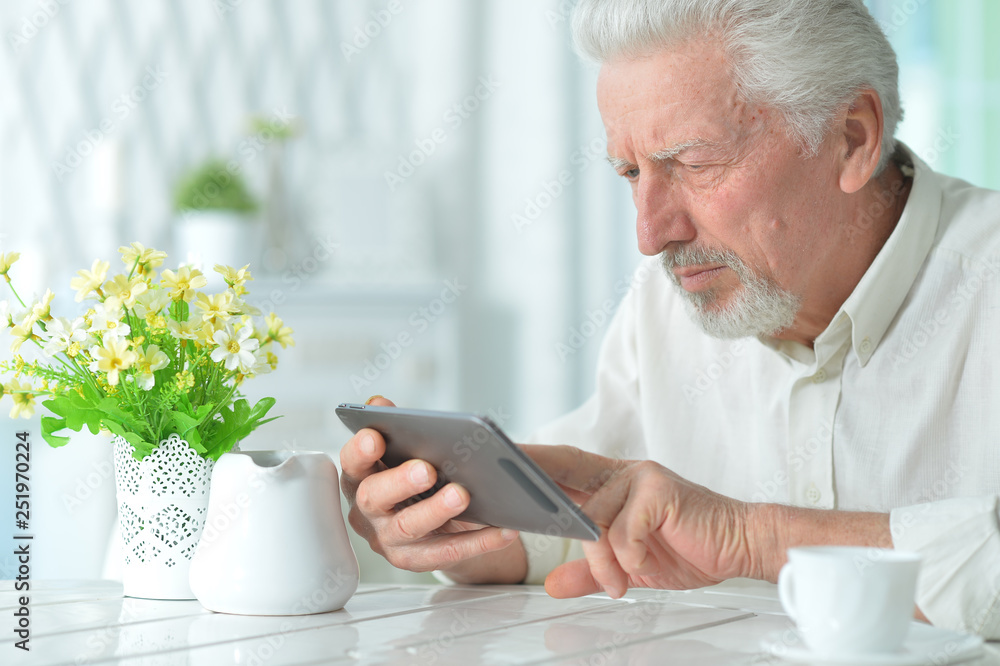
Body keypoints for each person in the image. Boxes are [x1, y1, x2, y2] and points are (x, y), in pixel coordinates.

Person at [340, 0, 1000, 637]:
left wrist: (753, 538)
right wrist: (461, 523)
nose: (651, 234)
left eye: (693, 163)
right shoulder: (675, 298)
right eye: (631, 172)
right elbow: (589, 528)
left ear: (852, 137)